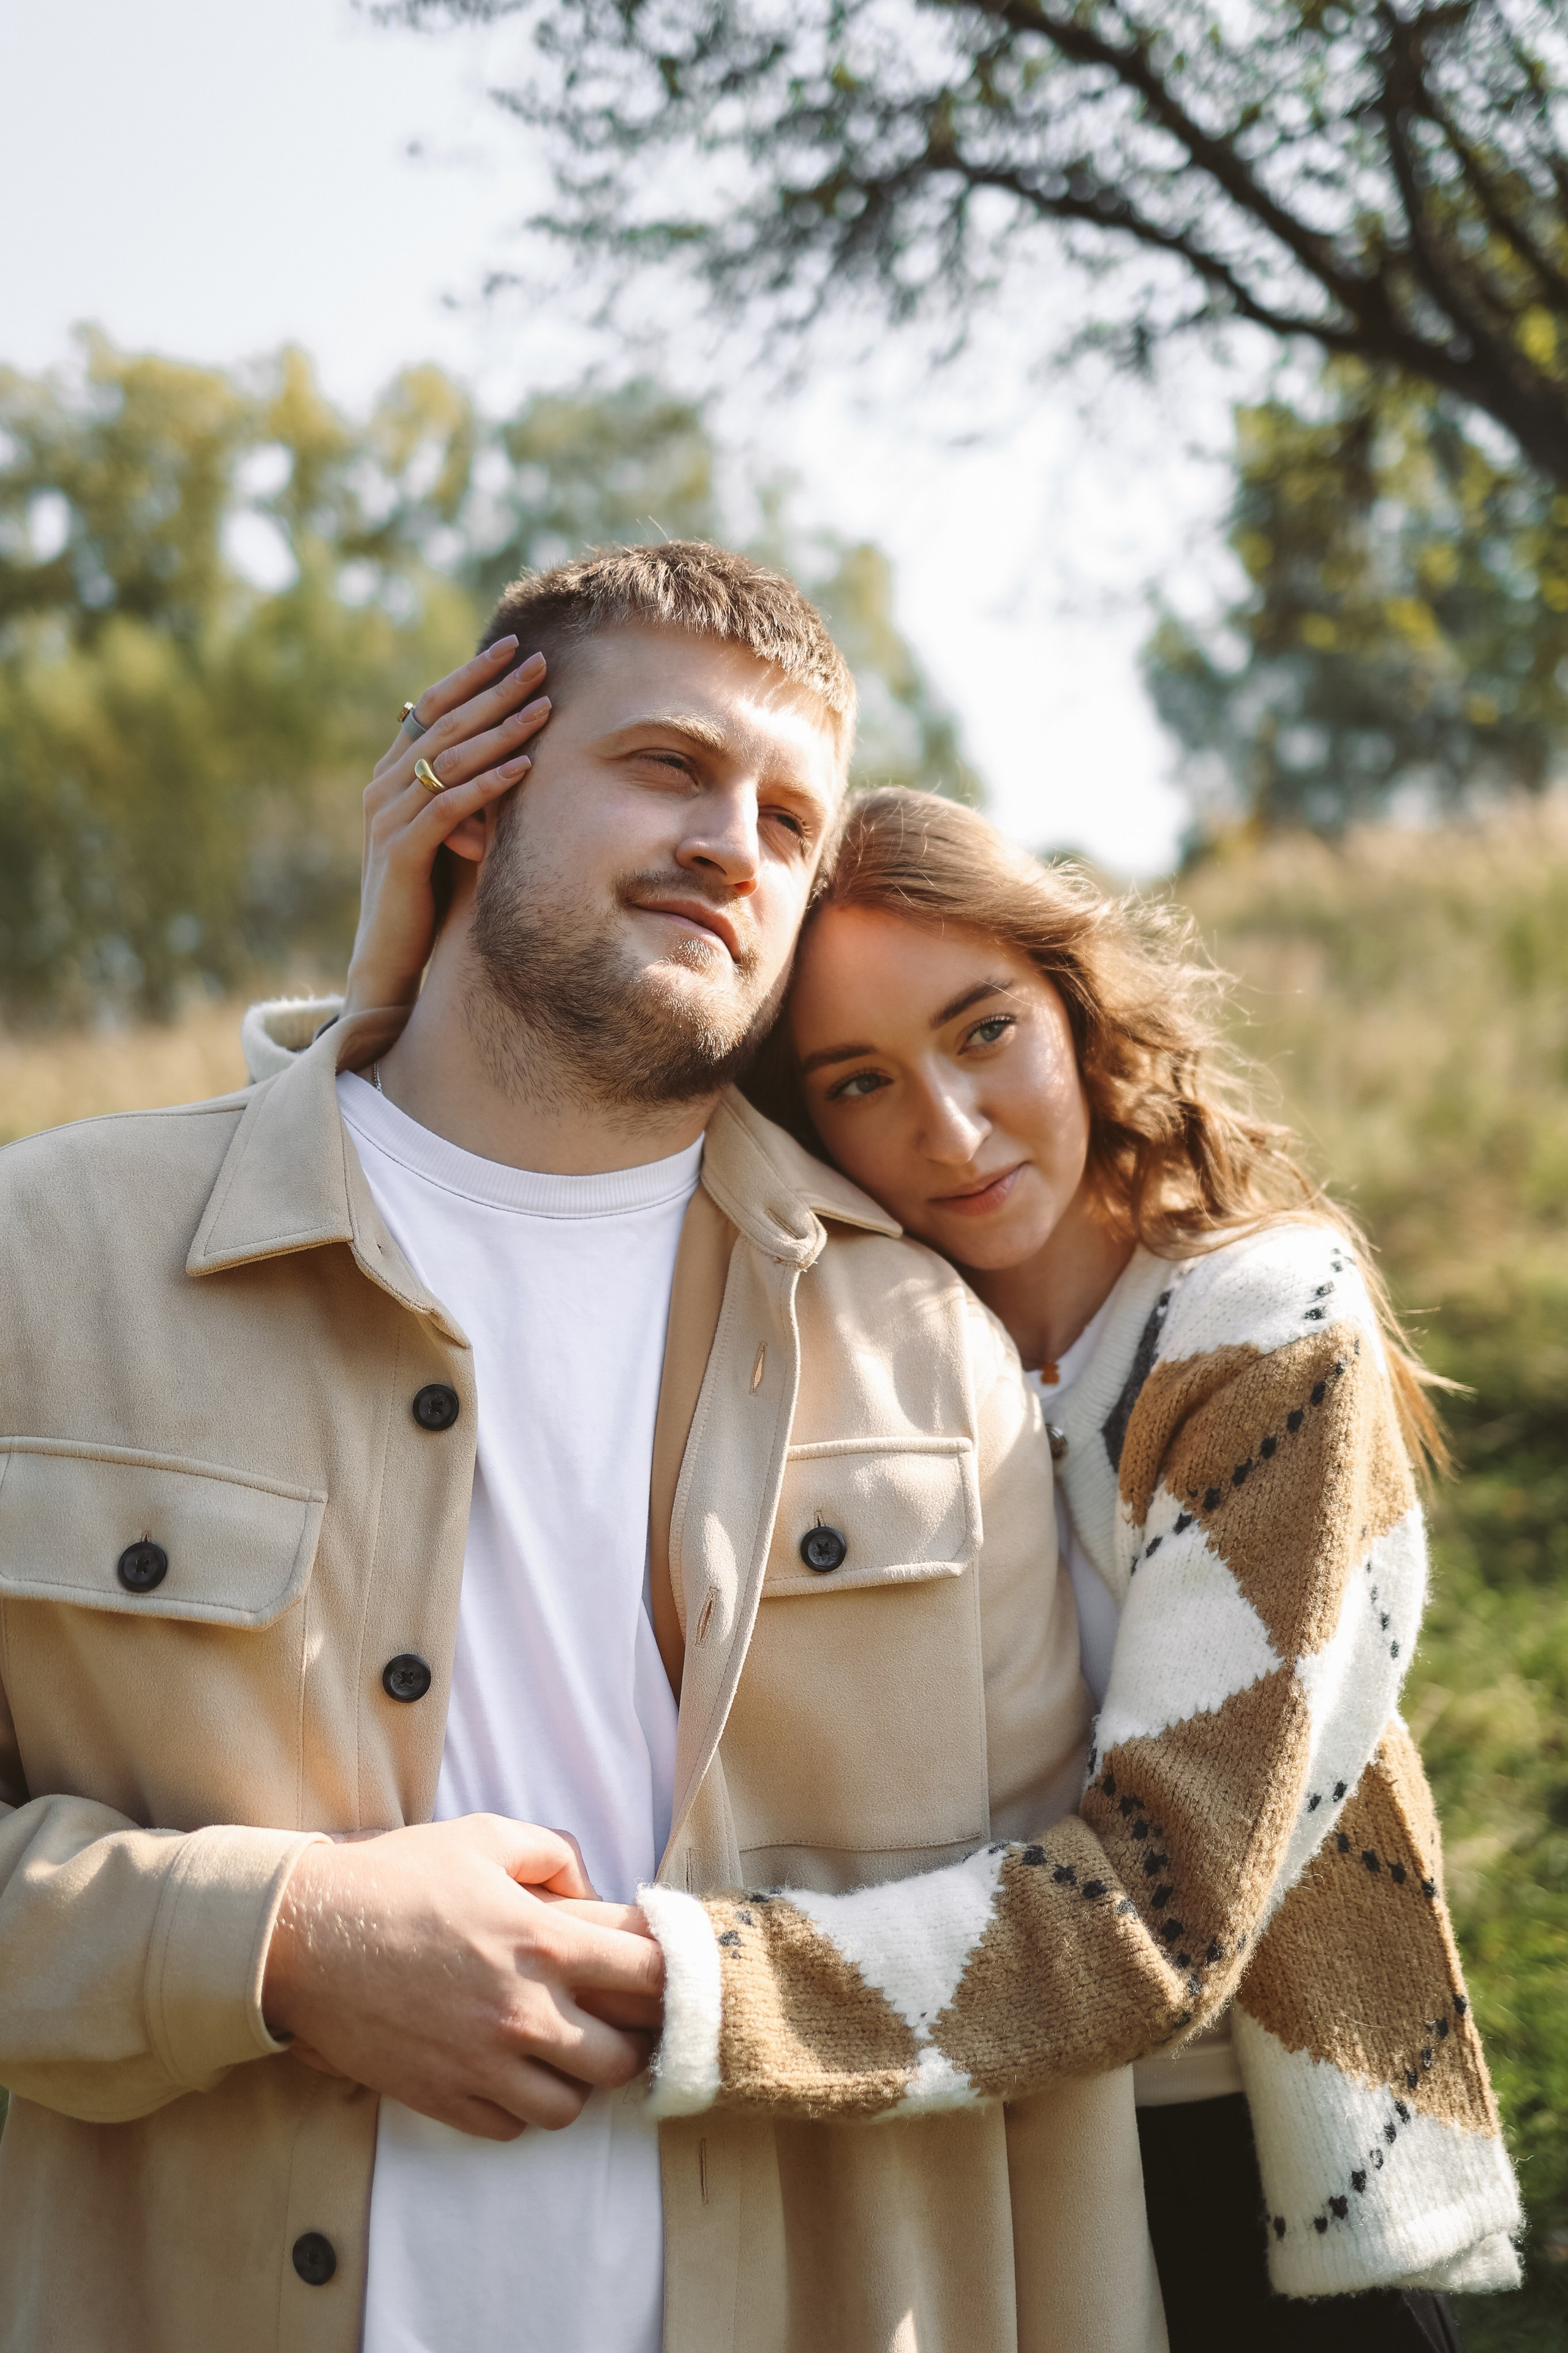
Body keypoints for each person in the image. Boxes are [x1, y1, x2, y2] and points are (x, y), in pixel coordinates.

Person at [0, 547, 1163, 2353]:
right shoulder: (51, 1260)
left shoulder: (935, 1351)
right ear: (472, 794)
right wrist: (277, 1939)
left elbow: (1047, 1970)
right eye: (667, 765)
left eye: (790, 819)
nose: (733, 844)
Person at [315, 776, 1523, 2349]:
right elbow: (489, 1196)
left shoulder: (1259, 1332)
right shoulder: (829, 1349)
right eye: (859, 1080)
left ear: (1073, 1005)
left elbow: (1159, 1912)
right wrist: (396, 989)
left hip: (1226, 2182)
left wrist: (664, 1983)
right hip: (938, 2170)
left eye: (982, 1031)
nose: (947, 1132)